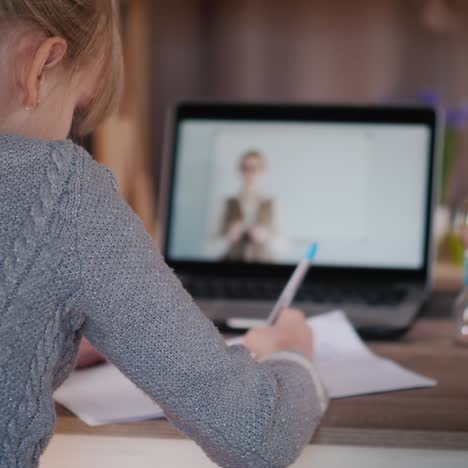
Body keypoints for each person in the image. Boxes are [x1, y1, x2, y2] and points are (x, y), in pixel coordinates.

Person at [0, 2, 328, 468]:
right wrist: (293, 354)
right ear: (41, 67)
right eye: (76, 111)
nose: (69, 133)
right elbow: (257, 434)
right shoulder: (60, 187)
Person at [215, 150, 287, 262]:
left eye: (254, 169)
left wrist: (265, 237)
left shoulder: (273, 204)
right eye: (245, 168)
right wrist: (228, 238)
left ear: (262, 171)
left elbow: (284, 247)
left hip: (262, 272)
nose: (249, 174)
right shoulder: (227, 203)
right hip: (231, 269)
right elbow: (209, 246)